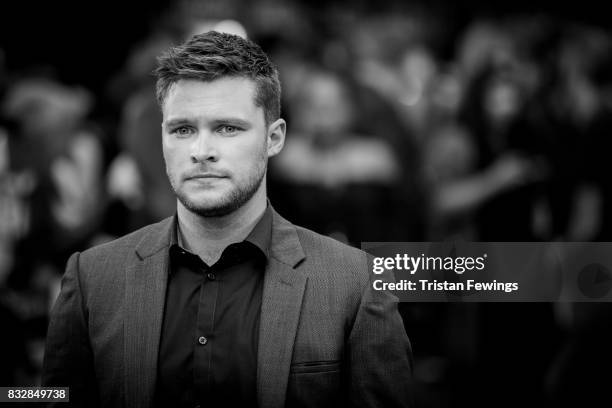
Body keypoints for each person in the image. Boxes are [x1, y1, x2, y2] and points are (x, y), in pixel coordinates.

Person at [42, 31, 413, 408]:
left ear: (274, 138)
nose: (202, 151)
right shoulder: (92, 278)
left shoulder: (353, 283)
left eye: (227, 128)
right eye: (183, 129)